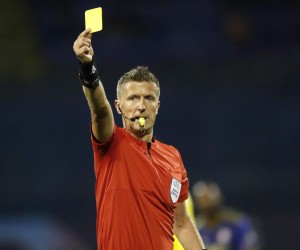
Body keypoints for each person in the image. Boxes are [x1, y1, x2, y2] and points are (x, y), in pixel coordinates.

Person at [73, 28, 206, 250]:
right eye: (133, 98)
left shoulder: (173, 156)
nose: (141, 106)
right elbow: (99, 110)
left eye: (148, 98)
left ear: (158, 106)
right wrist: (88, 69)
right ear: (119, 107)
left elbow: (181, 223)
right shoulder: (111, 143)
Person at [192, 181, 261, 250]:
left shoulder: (236, 222)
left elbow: (250, 246)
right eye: (203, 200)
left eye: (209, 198)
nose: (207, 203)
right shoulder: (196, 227)